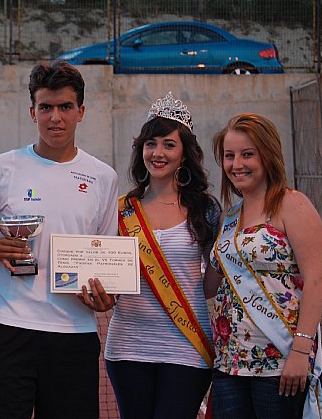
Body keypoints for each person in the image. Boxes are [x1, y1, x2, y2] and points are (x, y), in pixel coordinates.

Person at [0, 61, 119, 419]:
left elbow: (105, 258)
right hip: (7, 330)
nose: (55, 117)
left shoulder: (103, 177)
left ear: (80, 112)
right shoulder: (0, 168)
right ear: (32, 111)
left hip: (74, 333)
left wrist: (104, 298)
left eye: (65, 107)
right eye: (46, 107)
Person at [104, 92, 220, 418]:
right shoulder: (121, 210)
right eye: (150, 143)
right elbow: (110, 278)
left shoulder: (205, 209)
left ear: (185, 153)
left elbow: (208, 286)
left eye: (169, 144)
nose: (158, 153)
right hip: (127, 346)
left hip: (187, 344)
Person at [209, 113, 322, 419]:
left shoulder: (292, 204)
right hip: (230, 363)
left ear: (268, 155)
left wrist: (301, 350)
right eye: (229, 156)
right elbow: (213, 284)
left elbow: (317, 278)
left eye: (248, 154)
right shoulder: (229, 216)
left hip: (280, 361)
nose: (237, 164)